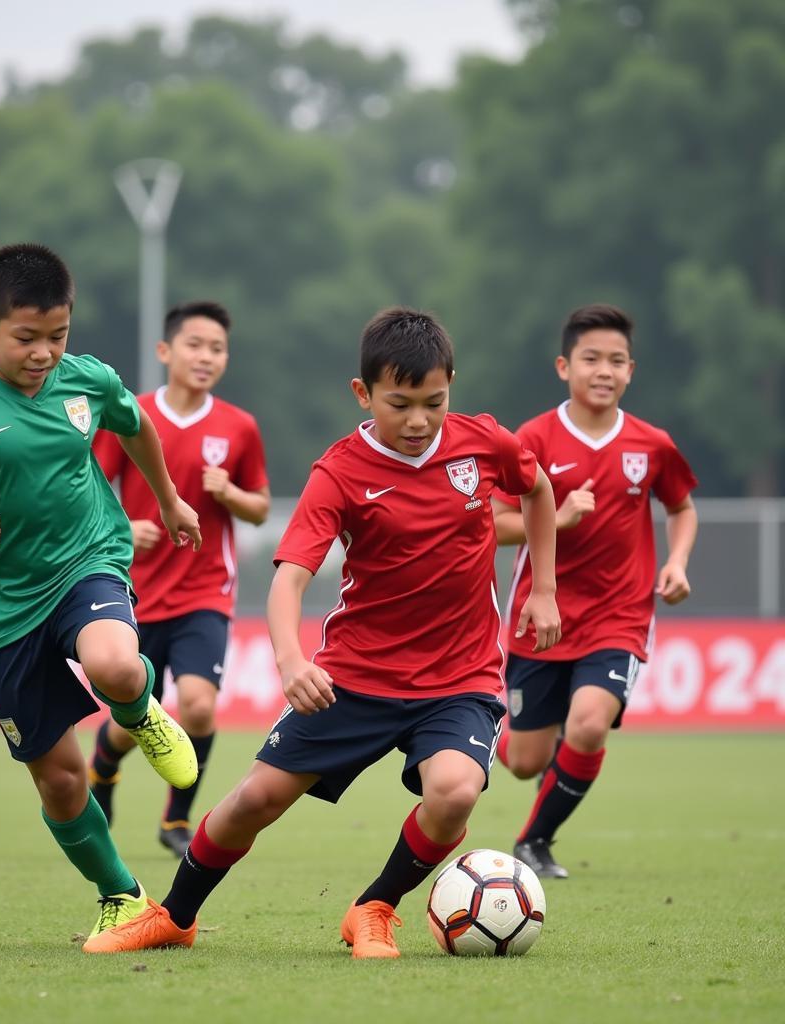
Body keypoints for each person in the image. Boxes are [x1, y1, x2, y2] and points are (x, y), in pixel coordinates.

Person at [83, 306, 561, 957]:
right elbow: (289, 578)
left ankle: (374, 908)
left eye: (434, 402)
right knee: (255, 800)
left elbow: (536, 491)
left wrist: (544, 587)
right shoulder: (339, 471)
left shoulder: (482, 442)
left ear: (452, 384)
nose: (419, 421)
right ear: (363, 394)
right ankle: (175, 915)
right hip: (357, 676)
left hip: (461, 678)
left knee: (455, 793)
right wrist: (291, 661)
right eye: (400, 404)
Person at [0, 242, 202, 948]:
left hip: (87, 560)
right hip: (0, 611)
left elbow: (134, 423)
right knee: (59, 779)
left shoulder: (87, 382)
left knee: (115, 663)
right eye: (27, 337)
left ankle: (140, 713)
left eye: (59, 335)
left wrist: (168, 501)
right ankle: (124, 897)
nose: (45, 352)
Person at [491, 303, 698, 879]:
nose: (603, 370)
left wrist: (677, 562)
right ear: (564, 367)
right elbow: (495, 523)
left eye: (616, 361)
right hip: (541, 614)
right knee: (524, 758)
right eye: (590, 359)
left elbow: (681, 508)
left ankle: (534, 841)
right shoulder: (532, 437)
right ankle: (519, 744)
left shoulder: (651, 444)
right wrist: (554, 517)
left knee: (586, 723)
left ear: (631, 371)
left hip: (620, 614)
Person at [89, 300, 270, 858]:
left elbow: (261, 508)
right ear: (165, 351)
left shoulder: (239, 427)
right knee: (133, 718)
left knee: (196, 706)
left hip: (205, 592)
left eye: (217, 348)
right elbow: (91, 488)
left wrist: (229, 493)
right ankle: (104, 768)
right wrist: (126, 530)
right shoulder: (131, 414)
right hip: (134, 591)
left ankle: (176, 819)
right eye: (195, 344)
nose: (206, 356)